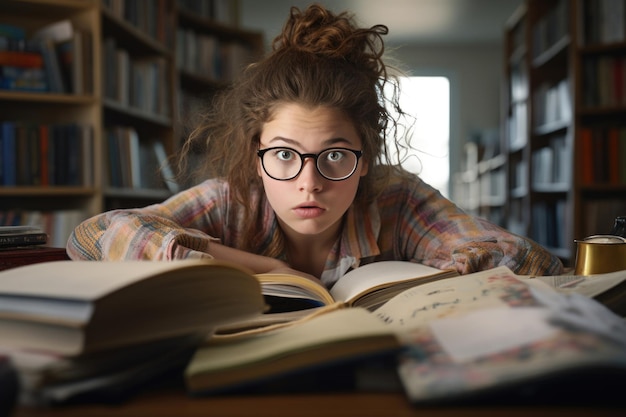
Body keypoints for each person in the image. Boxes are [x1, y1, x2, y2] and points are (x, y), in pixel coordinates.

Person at [67, 4, 563, 287]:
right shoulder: (232, 200)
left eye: (334, 156)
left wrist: (429, 277)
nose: (310, 182)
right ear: (257, 157)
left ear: (365, 158)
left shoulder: (397, 197)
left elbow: (528, 261)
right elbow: (96, 235)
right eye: (284, 154)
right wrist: (265, 268)